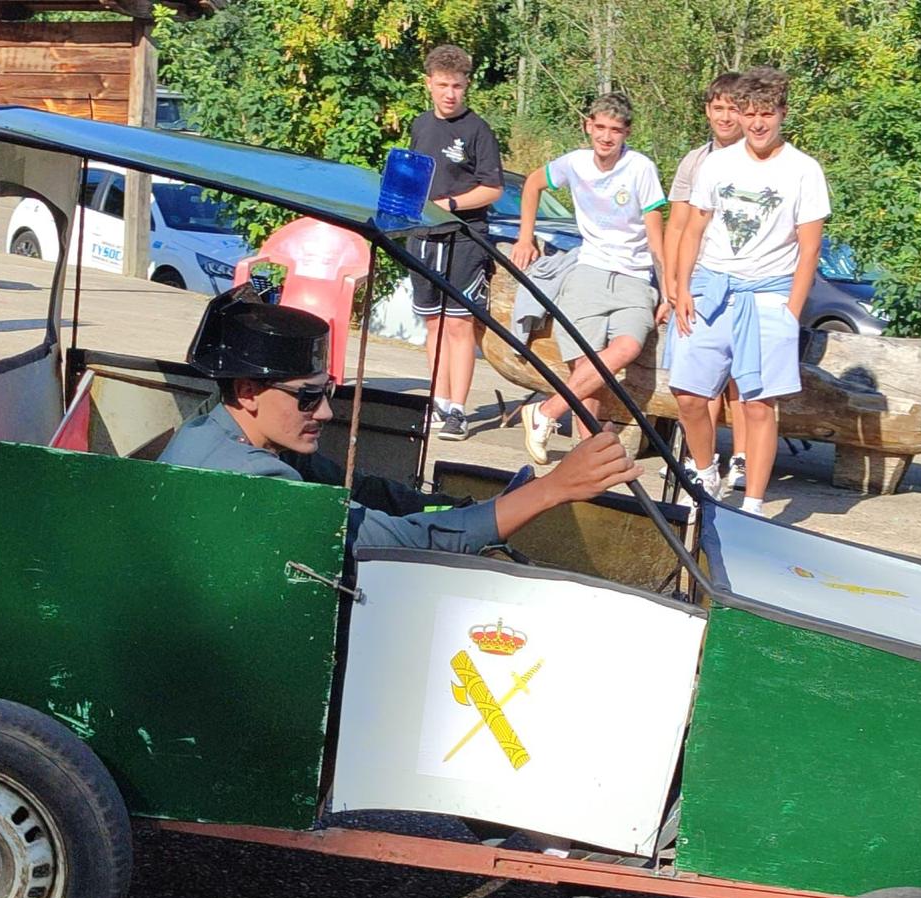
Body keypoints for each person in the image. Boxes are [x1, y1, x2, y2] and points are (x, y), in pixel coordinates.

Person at [160, 286, 643, 553]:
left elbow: (369, 492)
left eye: (326, 393)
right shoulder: (258, 479)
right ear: (248, 392)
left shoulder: (232, 435)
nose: (325, 412)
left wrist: (462, 506)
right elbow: (401, 544)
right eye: (308, 397)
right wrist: (552, 489)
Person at [669, 67, 828, 514]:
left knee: (758, 404)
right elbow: (694, 226)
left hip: (768, 295)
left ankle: (754, 505)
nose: (758, 124)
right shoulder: (718, 163)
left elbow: (810, 246)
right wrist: (682, 288)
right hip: (712, 289)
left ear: (782, 113)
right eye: (750, 114)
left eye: (767, 114)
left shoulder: (803, 170)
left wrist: (791, 310)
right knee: (689, 394)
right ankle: (704, 475)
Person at [512, 93, 668, 465]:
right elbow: (533, 183)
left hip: (634, 275)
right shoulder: (575, 163)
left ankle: (546, 412)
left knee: (627, 348)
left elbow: (656, 236)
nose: (607, 137)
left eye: (615, 130)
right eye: (600, 127)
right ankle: (589, 460)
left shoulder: (640, 168)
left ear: (627, 132)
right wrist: (524, 236)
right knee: (585, 368)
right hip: (589, 269)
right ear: (588, 126)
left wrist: (668, 290)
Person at [406, 44, 504, 443]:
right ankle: (437, 401)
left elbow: (493, 189)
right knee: (433, 323)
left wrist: (449, 206)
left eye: (458, 86)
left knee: (460, 325)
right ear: (429, 84)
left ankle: (458, 411)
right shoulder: (420, 125)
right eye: (443, 85)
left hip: (464, 238)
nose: (450, 93)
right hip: (422, 237)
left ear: (467, 87)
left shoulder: (478, 130)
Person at [663, 72, 746, 498]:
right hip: (700, 279)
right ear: (707, 111)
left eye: (734, 107)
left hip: (748, 282)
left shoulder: (761, 161)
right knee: (696, 382)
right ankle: (702, 465)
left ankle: (743, 462)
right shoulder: (695, 161)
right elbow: (677, 225)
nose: (726, 116)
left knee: (745, 383)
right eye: (719, 108)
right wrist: (672, 283)